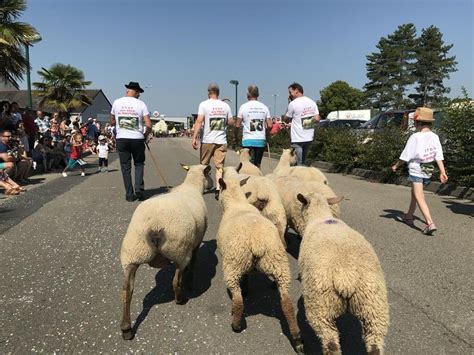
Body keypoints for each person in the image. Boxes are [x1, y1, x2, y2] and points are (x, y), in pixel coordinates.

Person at [391, 107, 448, 235]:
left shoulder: (415, 137)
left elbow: (406, 155)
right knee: (415, 193)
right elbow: (438, 155)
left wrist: (396, 166)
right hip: (428, 169)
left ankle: (430, 223)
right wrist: (442, 171)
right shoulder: (434, 136)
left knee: (419, 196)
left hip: (416, 168)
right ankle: (409, 216)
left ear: (418, 123)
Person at [111, 81, 152, 202]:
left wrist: (117, 124)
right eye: (139, 93)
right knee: (139, 164)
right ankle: (139, 189)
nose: (139, 95)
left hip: (122, 138)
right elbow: (148, 124)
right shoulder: (141, 104)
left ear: (127, 90)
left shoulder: (117, 102)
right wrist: (145, 135)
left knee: (125, 167)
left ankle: (129, 194)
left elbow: (112, 120)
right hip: (137, 138)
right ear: (137, 92)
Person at [192, 82, 234, 199]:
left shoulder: (203, 104)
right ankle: (218, 189)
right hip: (221, 140)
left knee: (203, 165)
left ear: (209, 93)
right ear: (218, 93)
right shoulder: (225, 106)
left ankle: (200, 187)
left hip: (207, 140)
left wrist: (195, 137)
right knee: (219, 166)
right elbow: (231, 122)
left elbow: (199, 121)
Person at [236, 85, 273, 168]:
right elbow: (270, 125)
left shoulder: (243, 107)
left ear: (248, 94)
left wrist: (237, 137)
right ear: (258, 94)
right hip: (260, 140)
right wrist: (266, 134)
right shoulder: (264, 107)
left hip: (247, 140)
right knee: (257, 165)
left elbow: (237, 125)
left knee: (246, 166)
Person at [284, 82, 320, 166]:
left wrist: (289, 103)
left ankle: (299, 178)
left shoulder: (293, 104)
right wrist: (307, 121)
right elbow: (317, 118)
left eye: (290, 92)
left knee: (298, 164)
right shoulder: (312, 102)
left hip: (297, 138)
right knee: (303, 162)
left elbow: (286, 120)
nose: (290, 95)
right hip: (308, 136)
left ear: (296, 91)